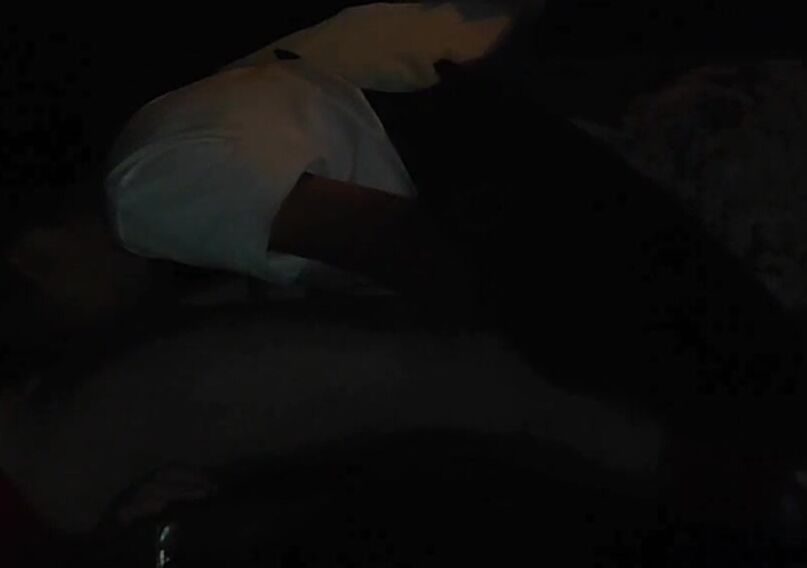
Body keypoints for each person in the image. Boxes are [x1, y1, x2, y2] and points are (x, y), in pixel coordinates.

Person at [2, 0, 806, 532]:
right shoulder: (192, 130)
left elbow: (420, 253)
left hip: (564, 234)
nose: (65, 330)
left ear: (35, 250)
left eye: (37, 305)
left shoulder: (148, 192)